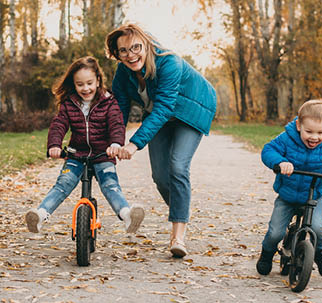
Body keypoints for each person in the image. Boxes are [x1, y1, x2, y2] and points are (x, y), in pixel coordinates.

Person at [105, 23, 217, 258]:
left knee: (178, 167)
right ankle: (181, 210)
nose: (130, 55)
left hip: (190, 111)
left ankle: (178, 235)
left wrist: (134, 143)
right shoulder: (123, 72)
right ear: (117, 54)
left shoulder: (169, 62)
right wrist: (115, 141)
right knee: (160, 177)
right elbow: (119, 108)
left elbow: (165, 107)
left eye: (136, 47)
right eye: (123, 51)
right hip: (159, 115)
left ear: (146, 44)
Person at [25, 56, 144, 234]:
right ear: (74, 84)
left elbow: (117, 124)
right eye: (80, 84)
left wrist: (115, 144)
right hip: (76, 154)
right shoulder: (70, 103)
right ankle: (40, 216)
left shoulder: (109, 102)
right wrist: (54, 145)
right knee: (63, 184)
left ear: (98, 80)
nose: (85, 88)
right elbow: (59, 124)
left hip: (103, 154)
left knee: (110, 185)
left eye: (89, 83)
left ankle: (127, 216)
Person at [257, 99, 322, 278]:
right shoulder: (287, 139)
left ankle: (319, 254)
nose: (314, 137)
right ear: (298, 125)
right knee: (275, 232)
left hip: (314, 197)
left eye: (320, 132)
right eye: (309, 131)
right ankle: (266, 253)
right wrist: (280, 162)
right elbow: (268, 150)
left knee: (318, 229)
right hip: (287, 197)